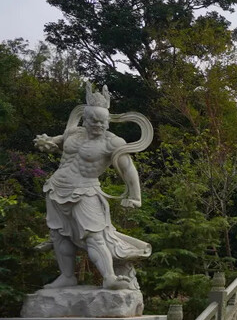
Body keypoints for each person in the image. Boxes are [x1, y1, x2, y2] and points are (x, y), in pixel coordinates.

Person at [34, 82, 152, 290]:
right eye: (93, 120)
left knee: (94, 235)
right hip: (55, 188)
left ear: (108, 121)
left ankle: (109, 277)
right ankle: (67, 276)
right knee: (59, 234)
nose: (98, 125)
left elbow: (128, 169)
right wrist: (48, 142)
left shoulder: (112, 143)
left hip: (86, 191)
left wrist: (135, 196)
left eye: (102, 121)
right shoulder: (74, 133)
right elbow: (59, 143)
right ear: (85, 119)